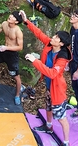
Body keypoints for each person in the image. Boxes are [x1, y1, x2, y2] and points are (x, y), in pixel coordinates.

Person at [20, 10, 72, 146]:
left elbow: (52, 74)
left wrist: (34, 61)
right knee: (48, 107)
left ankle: (66, 142)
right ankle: (49, 127)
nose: (53, 38)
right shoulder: (50, 44)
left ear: (61, 44)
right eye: (54, 36)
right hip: (49, 86)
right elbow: (39, 34)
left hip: (58, 90)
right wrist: (26, 21)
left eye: (56, 38)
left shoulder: (62, 57)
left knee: (61, 117)